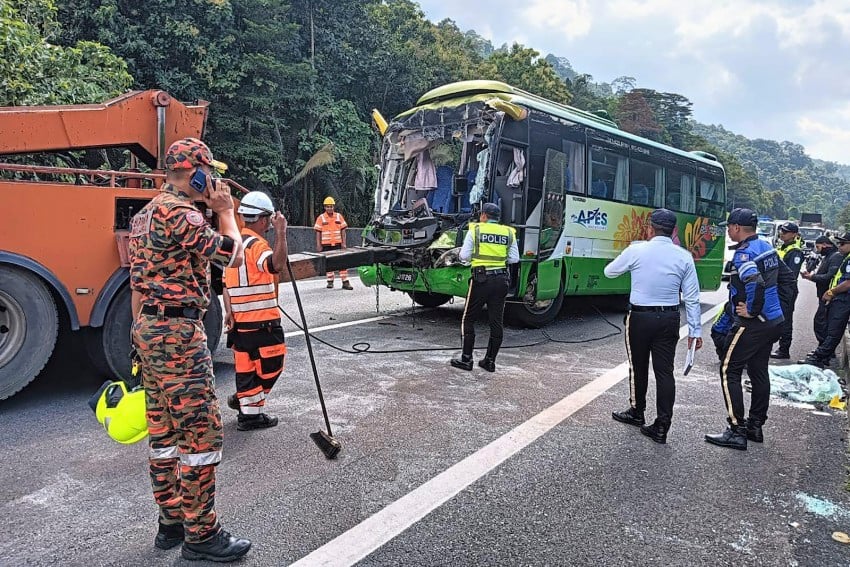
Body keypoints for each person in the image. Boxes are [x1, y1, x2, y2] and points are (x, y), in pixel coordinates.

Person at [129, 138, 251, 561]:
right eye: (210, 173)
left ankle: (171, 523)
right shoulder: (181, 213)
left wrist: (138, 335)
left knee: (163, 433)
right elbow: (230, 256)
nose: (214, 181)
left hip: (148, 327)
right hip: (178, 333)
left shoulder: (146, 215)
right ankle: (202, 536)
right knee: (199, 433)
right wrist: (225, 212)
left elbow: (134, 283)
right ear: (197, 172)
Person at [604, 208, 703, 444]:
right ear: (675, 231)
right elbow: (692, 297)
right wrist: (695, 331)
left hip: (639, 317)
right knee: (664, 372)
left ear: (650, 228)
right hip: (669, 319)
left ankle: (637, 412)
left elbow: (609, 272)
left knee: (638, 366)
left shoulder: (637, 249)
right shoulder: (684, 256)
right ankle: (661, 426)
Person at [705, 208, 784, 451]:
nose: (728, 231)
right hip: (773, 320)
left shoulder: (744, 254)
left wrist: (752, 310)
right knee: (759, 372)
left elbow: (755, 283)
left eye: (729, 227)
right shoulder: (766, 247)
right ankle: (755, 426)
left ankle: (736, 429)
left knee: (729, 369)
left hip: (753, 323)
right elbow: (787, 279)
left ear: (737, 228)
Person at [222, 191, 288, 431]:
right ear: (262, 219)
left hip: (240, 324)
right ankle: (245, 401)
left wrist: (228, 312)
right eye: (268, 219)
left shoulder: (234, 246)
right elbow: (276, 265)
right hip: (261, 323)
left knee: (246, 369)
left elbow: (225, 285)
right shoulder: (256, 245)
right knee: (273, 365)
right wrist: (281, 233)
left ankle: (249, 415)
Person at [450, 202, 519, 373]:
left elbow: (464, 256)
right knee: (496, 321)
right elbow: (514, 259)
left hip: (481, 279)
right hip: (502, 280)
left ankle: (466, 359)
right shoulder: (509, 232)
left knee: (469, 319)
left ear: (483, 216)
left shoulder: (476, 230)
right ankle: (490, 361)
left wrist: (474, 258)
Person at [799, 233, 850, 368]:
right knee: (829, 327)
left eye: (843, 243)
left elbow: (847, 283)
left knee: (833, 330)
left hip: (843, 298)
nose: (839, 246)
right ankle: (822, 356)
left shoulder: (841, 258)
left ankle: (820, 356)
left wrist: (831, 292)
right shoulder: (844, 257)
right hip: (839, 298)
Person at [800, 236, 842, 348]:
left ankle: (824, 351)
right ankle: (823, 349)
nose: (817, 250)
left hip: (829, 296)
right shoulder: (828, 256)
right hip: (824, 296)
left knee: (821, 324)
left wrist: (811, 277)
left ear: (824, 244)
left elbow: (829, 276)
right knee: (821, 323)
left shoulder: (835, 257)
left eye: (818, 247)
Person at [771, 222, 804, 359]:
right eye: (781, 231)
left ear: (794, 235)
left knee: (785, 319)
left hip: (787, 289)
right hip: (777, 287)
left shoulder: (795, 251)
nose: (782, 234)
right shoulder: (783, 247)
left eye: (785, 232)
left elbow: (791, 274)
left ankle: (784, 349)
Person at [314, 196, 353, 289]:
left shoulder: (339, 216)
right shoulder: (321, 218)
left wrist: (344, 243)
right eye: (327, 206)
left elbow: (343, 231)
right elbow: (318, 232)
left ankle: (345, 282)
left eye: (331, 206)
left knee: (342, 262)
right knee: (328, 263)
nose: (329, 208)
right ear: (325, 207)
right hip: (326, 245)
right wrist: (319, 245)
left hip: (338, 244)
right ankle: (330, 281)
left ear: (333, 207)